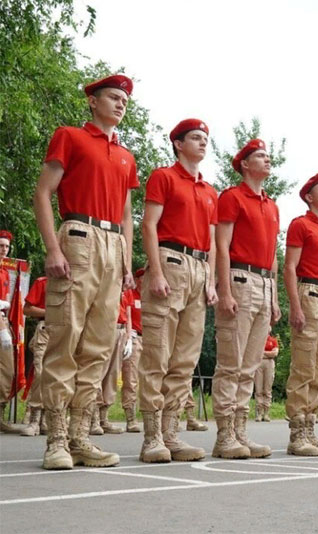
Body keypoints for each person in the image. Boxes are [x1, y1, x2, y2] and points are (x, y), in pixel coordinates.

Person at [33, 75, 138, 470]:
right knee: (66, 337)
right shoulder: (71, 137)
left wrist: (127, 262)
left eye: (125, 100)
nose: (120, 104)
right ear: (93, 102)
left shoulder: (127, 156)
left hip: (114, 245)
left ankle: (80, 435)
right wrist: (53, 247)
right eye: (113, 97)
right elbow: (43, 192)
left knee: (98, 345)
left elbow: (128, 213)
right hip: (79, 234)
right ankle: (56, 438)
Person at [138, 118, 218, 463]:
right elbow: (149, 225)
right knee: (157, 352)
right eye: (195, 138)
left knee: (185, 358)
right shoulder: (164, 177)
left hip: (199, 269)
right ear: (177, 143)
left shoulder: (209, 190)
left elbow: (213, 241)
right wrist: (154, 271)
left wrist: (212, 280)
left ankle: (172, 434)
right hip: (170, 262)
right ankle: (152, 437)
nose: (202, 143)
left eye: (205, 139)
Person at [211, 138, 279, 460]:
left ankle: (241, 430)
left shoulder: (271, 204)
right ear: (244, 164)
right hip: (239, 279)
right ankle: (225, 434)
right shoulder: (232, 197)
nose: (267, 161)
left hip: (264, 284)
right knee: (231, 363)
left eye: (268, 156)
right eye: (260, 157)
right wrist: (223, 290)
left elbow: (272, 255)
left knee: (250, 366)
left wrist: (275, 296)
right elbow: (221, 245)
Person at [284, 172, 318, 456]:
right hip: (310, 292)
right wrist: (295, 305)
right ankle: (297, 432)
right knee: (304, 365)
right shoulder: (301, 225)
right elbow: (290, 267)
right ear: (309, 196)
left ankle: (310, 427)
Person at [94, 293, 131, 435]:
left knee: (113, 373)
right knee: (99, 371)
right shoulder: (106, 280)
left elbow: (127, 314)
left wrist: (128, 336)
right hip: (105, 327)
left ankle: (104, 417)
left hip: (120, 330)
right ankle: (93, 418)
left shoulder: (125, 290)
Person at [20, 276, 48, 436]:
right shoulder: (43, 282)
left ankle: (47, 418)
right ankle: (34, 419)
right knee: (40, 374)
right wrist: (50, 312)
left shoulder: (77, 283)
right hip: (46, 327)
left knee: (59, 376)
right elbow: (27, 309)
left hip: (66, 331)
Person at [120, 270, 143, 432]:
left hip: (151, 339)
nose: (144, 281)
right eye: (141, 278)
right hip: (135, 337)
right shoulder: (130, 294)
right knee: (131, 379)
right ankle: (131, 417)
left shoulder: (153, 296)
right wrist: (128, 338)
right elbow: (126, 317)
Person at [0, 230, 16, 433]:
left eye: (6, 246)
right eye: (0, 246)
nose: (4, 250)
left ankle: (0, 413)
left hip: (2, 320)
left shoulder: (4, 272)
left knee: (6, 368)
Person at [255, 335, 279, 422]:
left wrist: (263, 353)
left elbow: (275, 353)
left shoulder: (273, 340)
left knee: (267, 389)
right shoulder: (258, 338)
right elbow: (256, 353)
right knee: (258, 389)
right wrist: (268, 353)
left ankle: (266, 412)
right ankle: (259, 412)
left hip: (269, 363)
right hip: (259, 364)